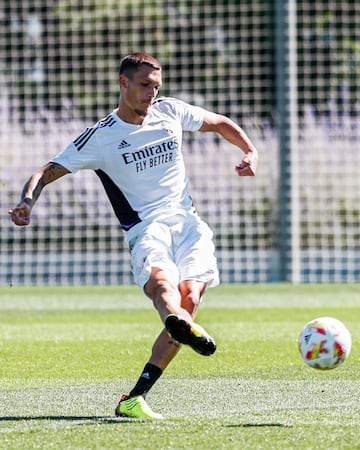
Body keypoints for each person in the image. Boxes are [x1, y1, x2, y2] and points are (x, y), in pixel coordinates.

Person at [9, 52, 258, 420]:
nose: (151, 93)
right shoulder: (101, 137)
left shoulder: (170, 112)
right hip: (146, 227)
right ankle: (175, 320)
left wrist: (249, 150)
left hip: (189, 223)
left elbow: (219, 122)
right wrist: (27, 202)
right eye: (144, 85)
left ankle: (135, 396)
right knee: (163, 287)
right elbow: (45, 171)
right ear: (123, 83)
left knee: (190, 297)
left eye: (156, 86)